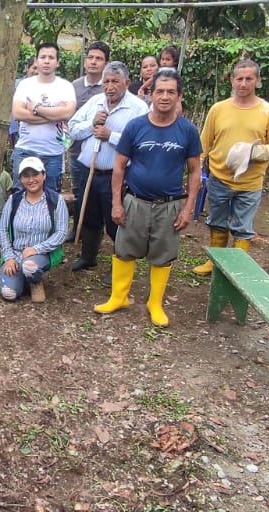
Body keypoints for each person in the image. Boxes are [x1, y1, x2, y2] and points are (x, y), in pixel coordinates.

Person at [94, 69, 202, 328]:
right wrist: (117, 203)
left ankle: (155, 302)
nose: (165, 97)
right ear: (150, 94)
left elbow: (195, 171)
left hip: (169, 205)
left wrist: (188, 208)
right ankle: (118, 297)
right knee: (124, 250)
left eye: (171, 92)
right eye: (159, 91)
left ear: (179, 96)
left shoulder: (187, 131)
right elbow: (119, 166)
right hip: (135, 201)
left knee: (163, 255)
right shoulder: (136, 126)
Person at [191, 59, 269, 276]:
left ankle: (236, 269)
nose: (243, 83)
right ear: (232, 81)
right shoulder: (218, 109)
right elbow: (205, 142)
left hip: (250, 182)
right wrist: (197, 169)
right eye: (239, 79)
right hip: (219, 177)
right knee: (216, 221)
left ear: (258, 81)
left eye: (248, 79)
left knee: (243, 227)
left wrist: (257, 152)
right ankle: (214, 261)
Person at [67, 61, 148, 272]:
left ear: (127, 83)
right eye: (106, 82)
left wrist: (110, 136)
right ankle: (88, 256)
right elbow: (72, 129)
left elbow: (140, 144)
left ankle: (119, 264)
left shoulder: (138, 108)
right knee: (88, 216)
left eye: (115, 82)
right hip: (89, 172)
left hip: (117, 175)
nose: (109, 87)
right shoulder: (95, 102)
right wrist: (92, 124)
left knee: (116, 220)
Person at [0, 157, 69, 303]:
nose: (31, 180)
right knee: (9, 294)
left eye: (35, 174)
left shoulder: (56, 200)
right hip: (16, 253)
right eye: (26, 176)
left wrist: (36, 249)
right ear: (20, 179)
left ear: (44, 175)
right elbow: (3, 229)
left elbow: (61, 233)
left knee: (29, 267)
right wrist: (9, 257)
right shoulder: (14, 200)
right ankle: (21, 279)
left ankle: (34, 281)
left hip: (41, 254)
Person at [11, 42, 76, 197]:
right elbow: (18, 113)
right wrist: (54, 115)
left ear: (58, 62)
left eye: (51, 57)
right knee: (20, 195)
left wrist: (35, 108)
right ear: (36, 60)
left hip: (53, 153)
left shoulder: (65, 86)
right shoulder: (25, 85)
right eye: (43, 57)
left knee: (51, 197)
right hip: (25, 150)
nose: (47, 61)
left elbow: (67, 113)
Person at [69, 41, 110, 239]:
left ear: (106, 64)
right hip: (77, 151)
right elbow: (70, 121)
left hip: (101, 152)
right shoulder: (74, 87)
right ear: (85, 61)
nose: (93, 62)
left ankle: (95, 234)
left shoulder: (109, 87)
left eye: (99, 59)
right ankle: (77, 231)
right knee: (79, 193)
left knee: (99, 197)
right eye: (90, 58)